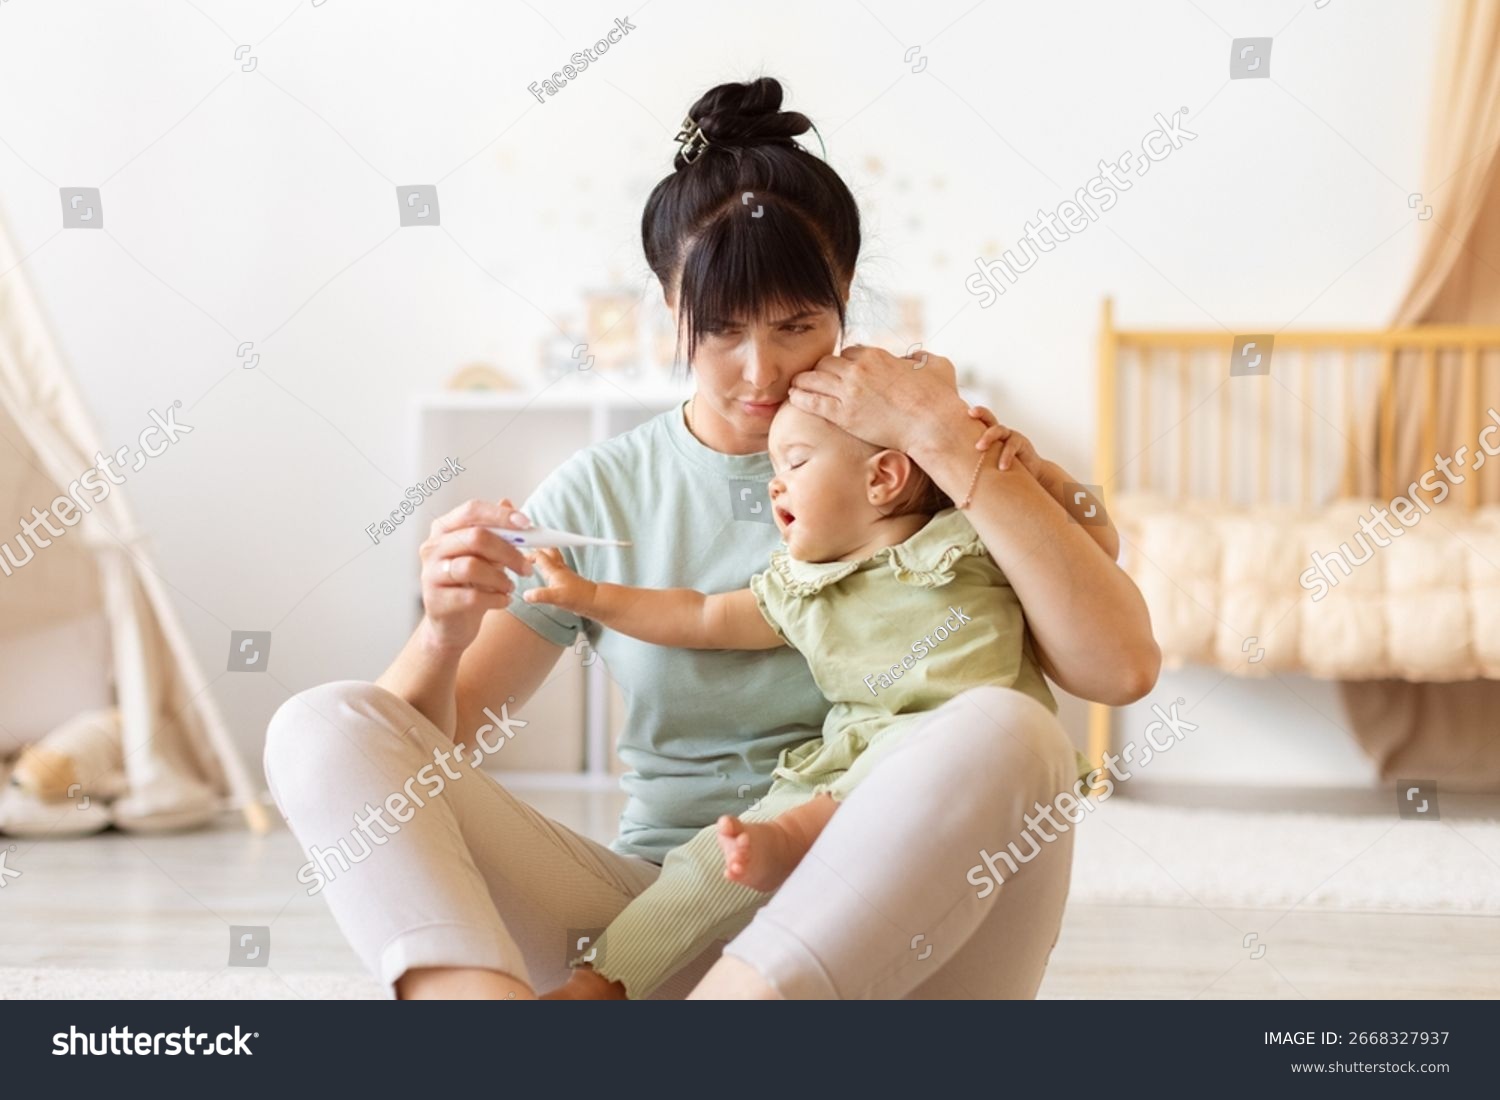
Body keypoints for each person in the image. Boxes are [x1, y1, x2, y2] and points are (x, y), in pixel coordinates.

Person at [262, 75, 1160, 1000]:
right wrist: (441, 634)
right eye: (722, 329)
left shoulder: (933, 453)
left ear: (845, 294)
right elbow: (419, 765)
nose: (760, 369)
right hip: (659, 925)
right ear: (670, 304)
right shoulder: (606, 491)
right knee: (321, 726)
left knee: (1014, 728)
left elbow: (1120, 669)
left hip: (916, 940)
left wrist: (944, 441)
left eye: (797, 325)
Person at [526, 400, 1107, 999]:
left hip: (962, 758)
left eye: (795, 462)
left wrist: (1038, 476)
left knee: (906, 781)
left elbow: (1095, 542)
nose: (774, 482)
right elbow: (699, 617)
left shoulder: (969, 534)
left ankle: (796, 843)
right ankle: (600, 983)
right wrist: (591, 594)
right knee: (703, 864)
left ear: (882, 477)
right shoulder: (799, 587)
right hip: (849, 760)